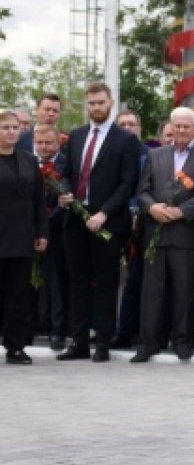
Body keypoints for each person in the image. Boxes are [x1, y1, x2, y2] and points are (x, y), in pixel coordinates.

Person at [57, 82, 142, 363]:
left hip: (107, 222)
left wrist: (104, 213)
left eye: (100, 103)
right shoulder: (77, 136)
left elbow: (128, 182)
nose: (96, 108)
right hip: (75, 219)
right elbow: (66, 172)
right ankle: (79, 341)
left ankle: (103, 343)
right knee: (77, 281)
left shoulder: (125, 140)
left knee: (106, 283)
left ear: (111, 102)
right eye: (91, 103)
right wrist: (66, 193)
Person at [130, 107, 194, 363]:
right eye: (177, 126)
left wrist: (181, 211)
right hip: (155, 232)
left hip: (186, 234)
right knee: (152, 291)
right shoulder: (155, 155)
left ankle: (183, 342)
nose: (181, 131)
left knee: (186, 291)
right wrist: (152, 207)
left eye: (186, 127)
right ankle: (149, 343)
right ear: (171, 127)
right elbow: (143, 189)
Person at [0, 110, 48, 363]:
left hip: (21, 237)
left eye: (14, 127)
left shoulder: (29, 160)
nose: (10, 132)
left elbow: (38, 199)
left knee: (18, 294)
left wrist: (41, 231)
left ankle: (15, 346)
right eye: (5, 127)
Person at [113, 109, 149, 349]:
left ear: (139, 128)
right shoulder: (110, 154)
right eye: (122, 124)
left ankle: (128, 330)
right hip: (112, 221)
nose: (127, 128)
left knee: (137, 279)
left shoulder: (151, 156)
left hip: (141, 225)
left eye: (131, 124)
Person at [31, 124, 68, 350]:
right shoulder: (26, 161)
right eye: (39, 143)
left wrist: (46, 224)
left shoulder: (66, 163)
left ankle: (58, 331)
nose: (43, 147)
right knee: (26, 282)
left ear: (58, 143)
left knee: (56, 283)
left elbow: (65, 195)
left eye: (48, 143)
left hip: (58, 232)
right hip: (27, 232)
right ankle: (27, 327)